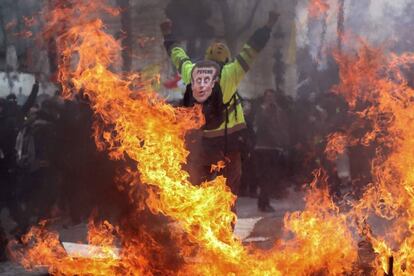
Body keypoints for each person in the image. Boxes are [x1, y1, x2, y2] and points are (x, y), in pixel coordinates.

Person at [161, 11, 279, 201]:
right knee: (229, 192)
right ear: (226, 60)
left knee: (198, 194)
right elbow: (252, 49)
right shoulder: (231, 72)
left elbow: (177, 55)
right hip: (228, 144)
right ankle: (226, 227)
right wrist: (268, 26)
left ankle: (199, 227)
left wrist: (168, 35)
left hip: (201, 145)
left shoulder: (191, 71)